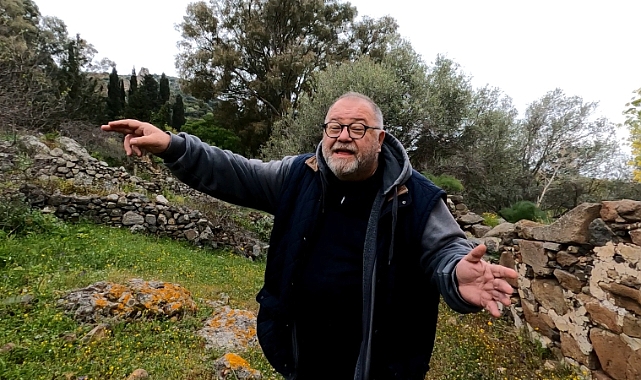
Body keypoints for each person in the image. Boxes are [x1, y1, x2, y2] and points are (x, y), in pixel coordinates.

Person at [102, 92, 517, 380]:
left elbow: (447, 250)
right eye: (335, 126)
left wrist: (455, 275)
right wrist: (174, 145)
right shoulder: (299, 175)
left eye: (358, 128)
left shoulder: (415, 197)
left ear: (380, 139)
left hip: (377, 365)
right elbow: (237, 172)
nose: (343, 136)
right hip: (305, 354)